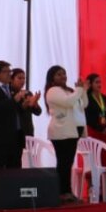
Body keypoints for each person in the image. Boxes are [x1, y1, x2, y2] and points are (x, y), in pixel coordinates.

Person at [44, 65, 87, 203]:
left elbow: (83, 104)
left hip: (74, 129)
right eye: (59, 74)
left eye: (64, 73)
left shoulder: (69, 90)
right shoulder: (53, 90)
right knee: (63, 162)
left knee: (68, 163)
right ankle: (62, 192)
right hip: (61, 130)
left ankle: (66, 192)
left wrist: (83, 90)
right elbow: (68, 103)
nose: (63, 76)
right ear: (52, 78)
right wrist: (79, 90)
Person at [9, 69, 42, 140]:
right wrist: (25, 104)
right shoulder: (8, 94)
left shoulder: (27, 93)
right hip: (14, 131)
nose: (22, 81)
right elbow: (14, 111)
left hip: (28, 130)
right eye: (19, 78)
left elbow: (38, 112)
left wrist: (35, 102)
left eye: (24, 78)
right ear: (11, 79)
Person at [84, 73, 106, 144]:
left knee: (105, 153)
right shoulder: (87, 98)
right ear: (90, 84)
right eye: (96, 82)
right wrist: (100, 129)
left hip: (105, 131)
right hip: (93, 131)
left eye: (100, 82)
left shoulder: (105, 98)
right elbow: (87, 117)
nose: (99, 84)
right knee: (95, 153)